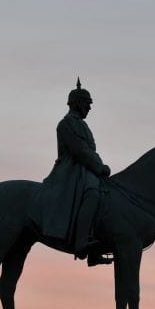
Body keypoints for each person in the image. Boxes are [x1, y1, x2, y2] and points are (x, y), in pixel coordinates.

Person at [41, 78, 112, 266]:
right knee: (92, 194)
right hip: (71, 170)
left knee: (106, 194)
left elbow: (89, 150)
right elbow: (80, 150)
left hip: (86, 168)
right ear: (77, 103)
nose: (89, 108)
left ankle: (94, 248)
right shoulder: (65, 124)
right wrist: (99, 167)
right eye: (87, 104)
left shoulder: (83, 125)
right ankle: (81, 241)